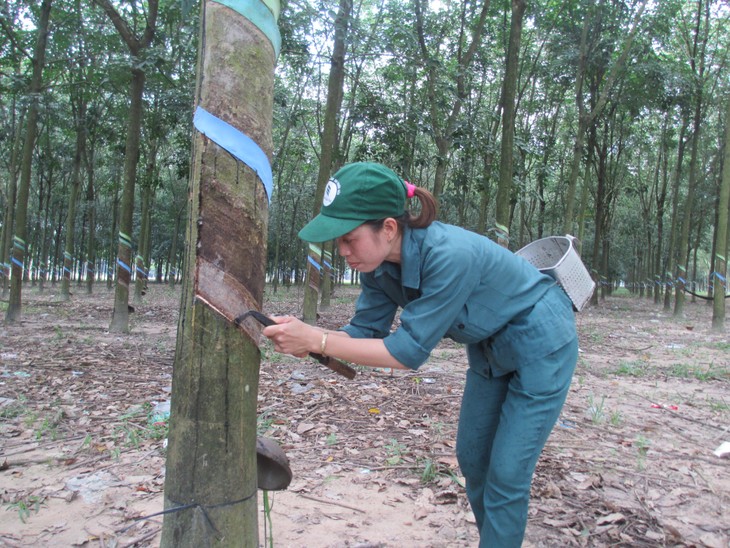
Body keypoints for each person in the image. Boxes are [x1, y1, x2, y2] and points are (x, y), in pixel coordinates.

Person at [262, 161, 578, 547]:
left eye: (349, 238)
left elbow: (407, 352)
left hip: (542, 342)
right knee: (474, 459)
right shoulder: (376, 268)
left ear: (389, 228)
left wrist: (317, 340)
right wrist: (304, 338)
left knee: (508, 472)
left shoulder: (450, 255)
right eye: (337, 242)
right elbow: (362, 334)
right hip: (490, 348)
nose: (342, 251)